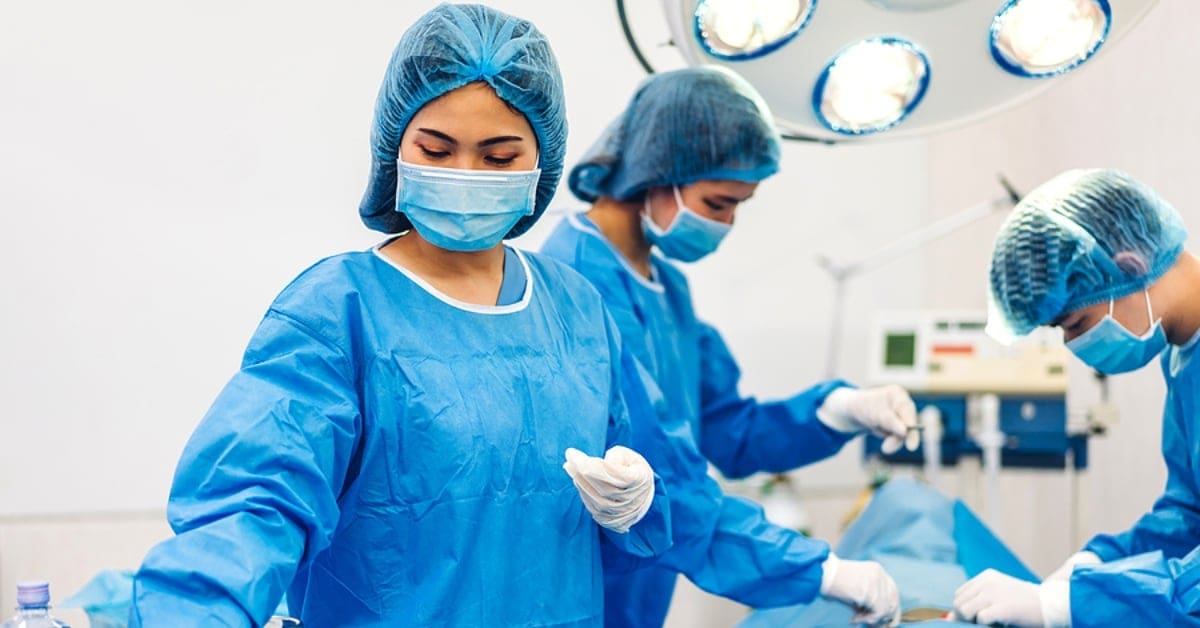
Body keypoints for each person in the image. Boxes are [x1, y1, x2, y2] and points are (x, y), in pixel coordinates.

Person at [129, 5, 673, 626]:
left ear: (540, 164)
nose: (465, 175)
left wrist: (634, 506)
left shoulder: (577, 310)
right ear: (395, 149)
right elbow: (256, 503)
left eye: (497, 158)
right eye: (437, 150)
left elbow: (647, 507)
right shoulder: (338, 310)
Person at [540, 66, 918, 627]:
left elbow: (728, 431)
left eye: (741, 204)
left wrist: (835, 412)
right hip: (583, 593)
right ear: (658, 171)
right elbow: (668, 483)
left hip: (642, 594)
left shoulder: (665, 288)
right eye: (718, 202)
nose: (729, 222)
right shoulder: (576, 279)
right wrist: (817, 571)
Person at [953, 168, 1200, 627]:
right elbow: (1189, 515)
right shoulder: (1185, 358)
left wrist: (1071, 604)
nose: (1071, 346)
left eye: (1076, 324)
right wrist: (1095, 563)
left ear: (1129, 267)